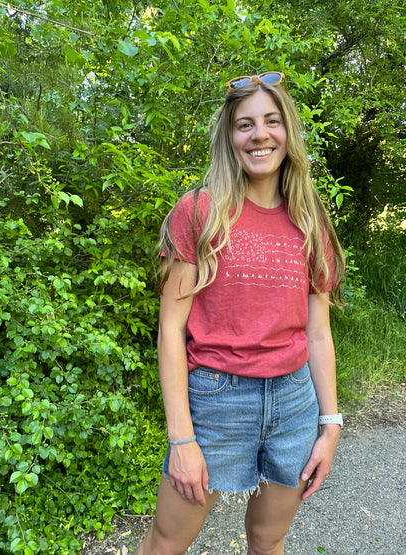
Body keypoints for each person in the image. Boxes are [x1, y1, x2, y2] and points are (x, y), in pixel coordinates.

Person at [135, 71, 346, 555]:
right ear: (229, 137)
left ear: (288, 131)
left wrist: (330, 424)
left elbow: (318, 334)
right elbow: (171, 331)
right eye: (245, 124)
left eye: (272, 121)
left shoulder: (311, 220)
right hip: (216, 402)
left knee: (269, 539)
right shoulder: (199, 212)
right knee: (165, 542)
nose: (259, 135)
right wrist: (181, 439)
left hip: (294, 405)